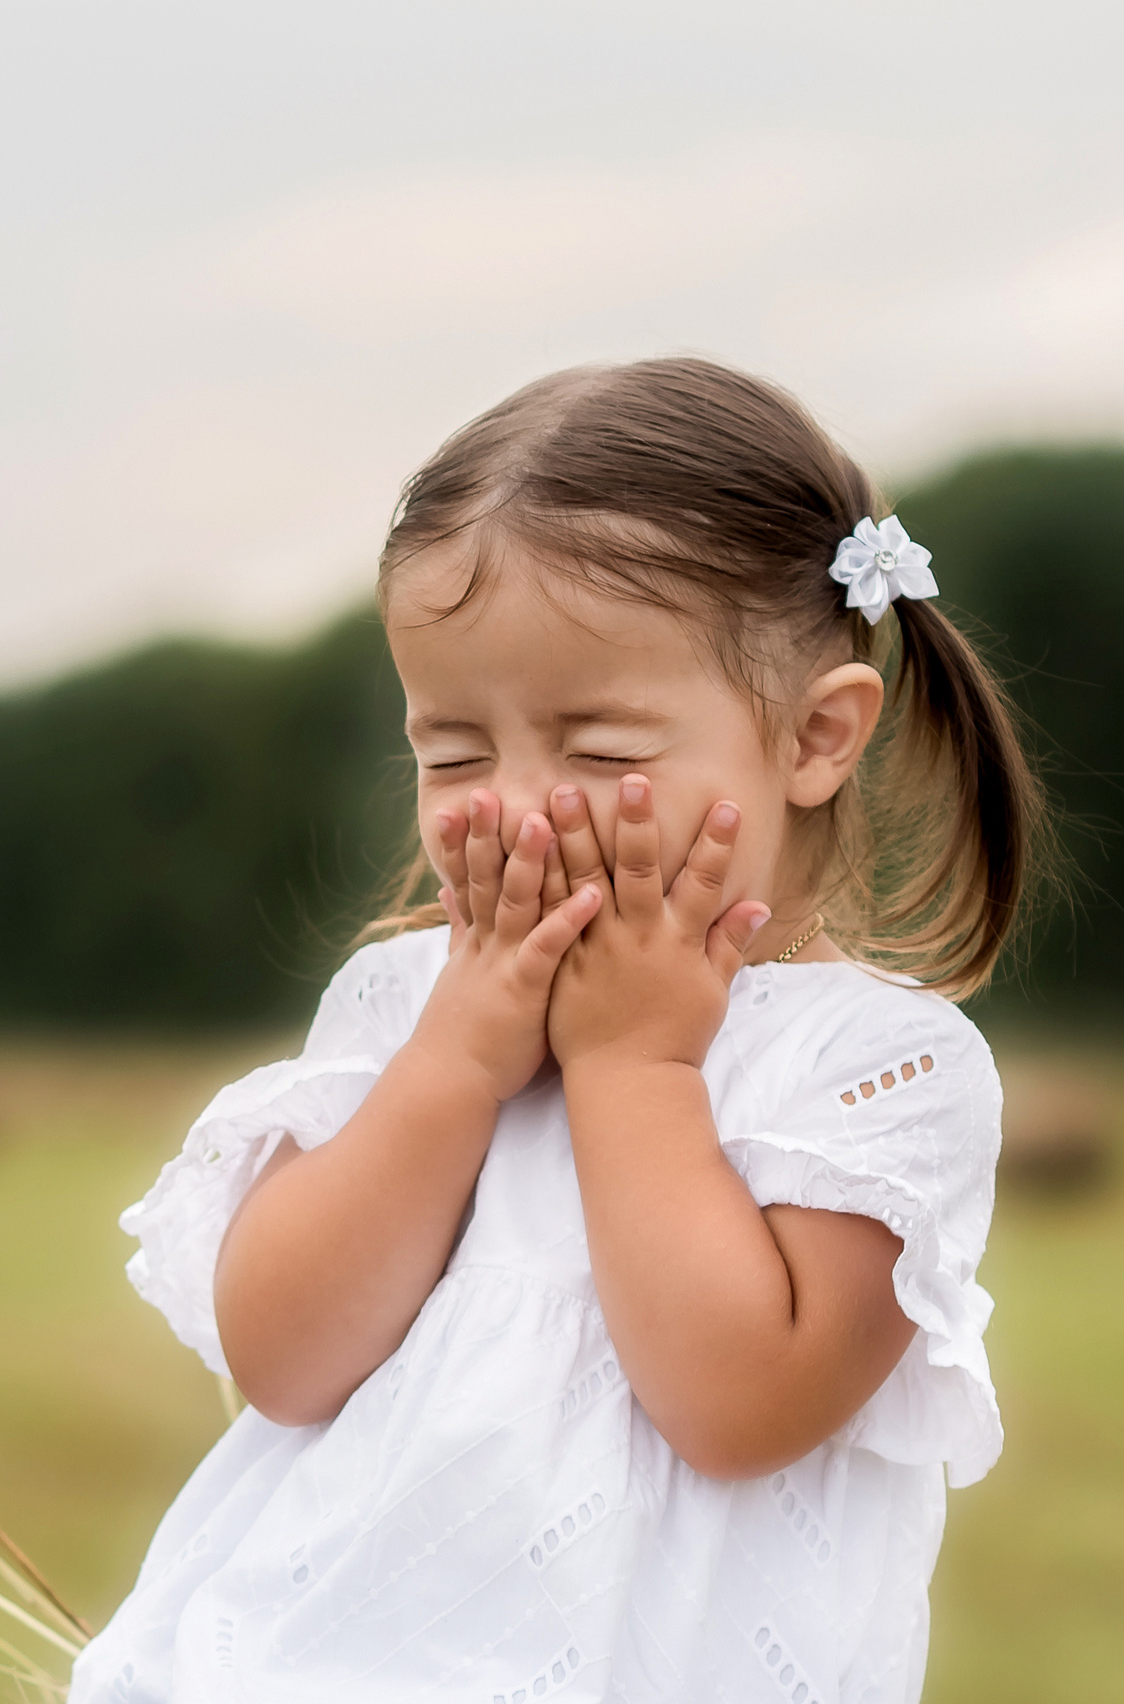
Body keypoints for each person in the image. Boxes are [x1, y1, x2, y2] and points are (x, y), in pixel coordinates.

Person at [74, 357, 1044, 1703]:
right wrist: (456, 1066)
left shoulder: (873, 1070)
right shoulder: (412, 1008)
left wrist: (634, 1066)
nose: (522, 809)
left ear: (816, 739)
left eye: (599, 751)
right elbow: (282, 1360)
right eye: (455, 753)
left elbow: (736, 1405)